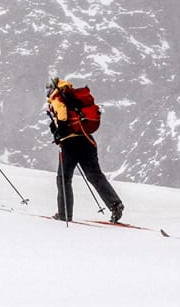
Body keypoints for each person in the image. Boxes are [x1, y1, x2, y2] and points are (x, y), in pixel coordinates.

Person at [46, 77, 124, 223]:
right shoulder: (72, 96)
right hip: (87, 141)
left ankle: (64, 214)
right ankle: (115, 204)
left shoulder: (58, 98)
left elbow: (62, 118)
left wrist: (59, 134)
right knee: (94, 175)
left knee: (63, 178)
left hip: (70, 143)